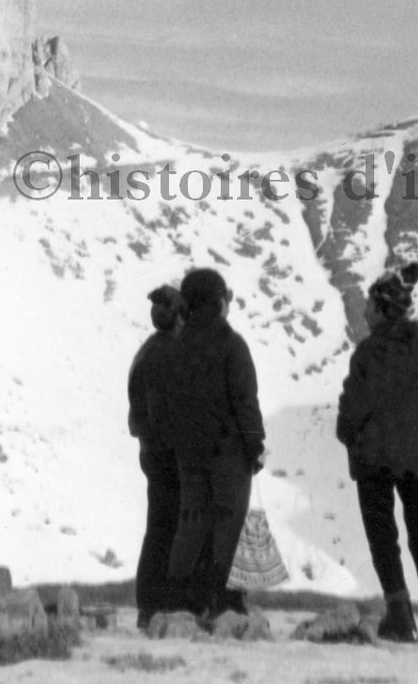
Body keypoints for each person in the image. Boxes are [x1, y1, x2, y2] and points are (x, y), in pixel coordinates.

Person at [336, 262, 418, 644]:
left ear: (382, 307)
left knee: (383, 536)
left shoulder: (368, 354)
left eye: (369, 305)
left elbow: (352, 410)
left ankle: (400, 616)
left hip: (373, 460)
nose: (364, 312)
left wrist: (349, 436)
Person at [149, 267, 265, 620]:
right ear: (217, 302)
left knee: (192, 520)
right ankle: (226, 601)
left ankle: (180, 599)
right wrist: (255, 444)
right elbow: (245, 401)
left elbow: (163, 405)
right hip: (229, 452)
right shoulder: (232, 346)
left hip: (188, 453)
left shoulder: (176, 347)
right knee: (230, 520)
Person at [127, 284, 184, 631]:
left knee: (158, 528)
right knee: (170, 529)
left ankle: (148, 606)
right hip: (170, 454)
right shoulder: (173, 354)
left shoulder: (146, 352)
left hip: (151, 451)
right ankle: (159, 606)